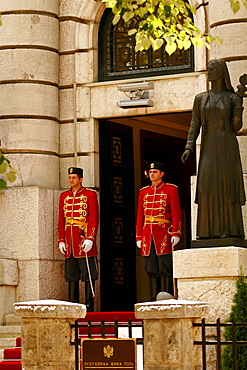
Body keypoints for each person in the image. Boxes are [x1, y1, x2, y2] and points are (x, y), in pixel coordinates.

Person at [181, 59, 245, 239]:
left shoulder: (232, 98)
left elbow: (236, 127)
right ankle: (206, 231)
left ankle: (228, 230)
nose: (209, 73)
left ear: (221, 73)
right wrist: (189, 146)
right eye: (208, 69)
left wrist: (239, 107)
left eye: (212, 70)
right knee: (207, 185)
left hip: (227, 144)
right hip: (208, 145)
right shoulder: (201, 98)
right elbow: (195, 123)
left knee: (226, 185)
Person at [136, 162, 182, 298]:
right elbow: (140, 216)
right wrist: (139, 236)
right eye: (150, 172)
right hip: (147, 235)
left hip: (164, 233)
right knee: (151, 268)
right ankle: (153, 298)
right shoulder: (143, 192)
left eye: (155, 172)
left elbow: (176, 213)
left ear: (162, 174)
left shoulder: (170, 189)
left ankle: (168, 296)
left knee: (165, 266)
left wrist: (176, 233)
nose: (152, 174)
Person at [58, 167, 99, 311]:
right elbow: (61, 220)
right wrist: (61, 240)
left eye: (74, 177)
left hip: (84, 240)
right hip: (70, 243)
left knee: (89, 275)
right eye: (69, 177)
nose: (71, 180)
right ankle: (73, 305)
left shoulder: (90, 195)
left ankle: (89, 304)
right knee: (71, 276)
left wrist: (91, 238)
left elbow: (94, 218)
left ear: (80, 179)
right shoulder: (64, 196)